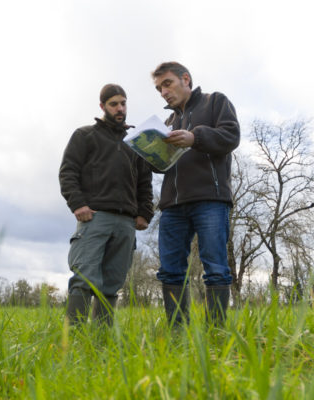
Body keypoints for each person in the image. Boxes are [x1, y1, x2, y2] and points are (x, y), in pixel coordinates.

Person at [151, 62, 240, 326]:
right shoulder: (167, 123)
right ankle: (178, 333)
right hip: (172, 205)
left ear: (185, 79)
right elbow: (163, 165)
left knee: (215, 268)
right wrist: (150, 153)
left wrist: (195, 137)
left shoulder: (215, 102)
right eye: (159, 89)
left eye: (167, 84)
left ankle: (216, 332)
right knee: (169, 271)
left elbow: (231, 136)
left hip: (210, 200)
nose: (164, 92)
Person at [59, 84, 154, 326]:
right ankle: (76, 340)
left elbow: (145, 181)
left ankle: (102, 340)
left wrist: (144, 212)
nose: (120, 108)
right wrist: (77, 204)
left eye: (123, 103)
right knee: (84, 279)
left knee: (112, 284)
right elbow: (68, 172)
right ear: (102, 106)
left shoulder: (136, 142)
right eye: (114, 104)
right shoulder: (85, 135)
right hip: (94, 217)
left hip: (126, 222)